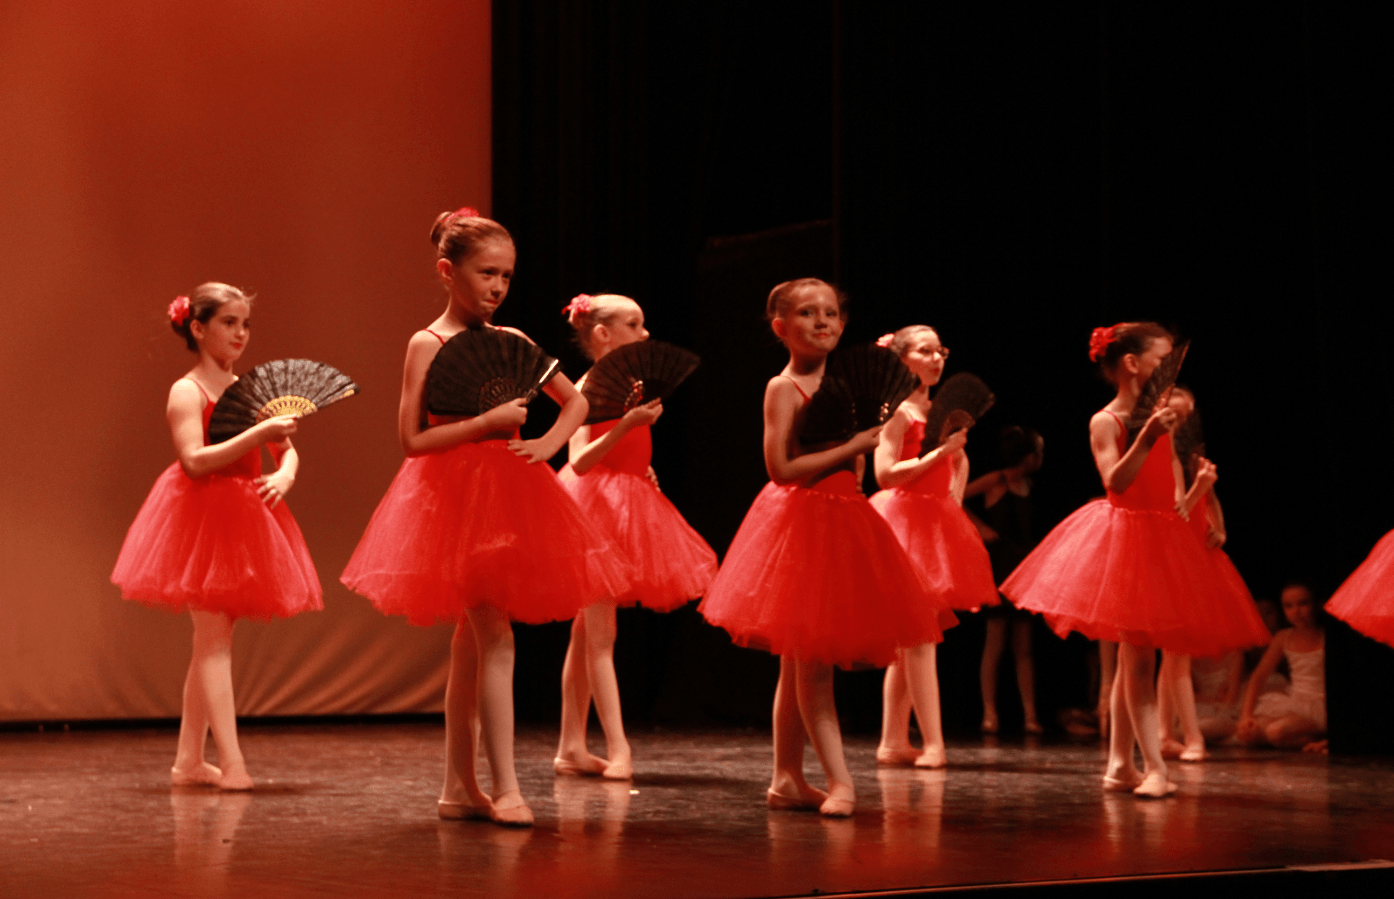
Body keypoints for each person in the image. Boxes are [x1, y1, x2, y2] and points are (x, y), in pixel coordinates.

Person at [341, 209, 628, 826]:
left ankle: (458, 788)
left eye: (506, 276)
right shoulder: (429, 342)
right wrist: (486, 425)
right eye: (486, 273)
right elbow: (412, 440)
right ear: (448, 272)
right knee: (495, 636)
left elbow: (577, 402)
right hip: (451, 496)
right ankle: (504, 789)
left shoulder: (516, 343)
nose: (498, 287)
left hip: (508, 492)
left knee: (474, 644)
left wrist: (549, 447)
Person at [699, 279, 955, 817]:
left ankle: (787, 778)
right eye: (808, 313)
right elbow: (781, 469)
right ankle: (841, 782)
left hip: (845, 520)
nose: (823, 322)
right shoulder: (783, 386)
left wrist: (859, 450)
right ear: (781, 328)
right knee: (811, 668)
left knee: (797, 668)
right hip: (799, 521)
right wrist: (855, 445)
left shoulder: (844, 385)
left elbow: (859, 471)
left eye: (831, 313)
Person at [1001, 322, 1268, 798]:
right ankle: (1155, 767)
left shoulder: (1163, 415)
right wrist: (1144, 438)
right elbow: (1116, 483)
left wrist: (1197, 505)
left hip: (1163, 539)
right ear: (1131, 363)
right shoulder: (1108, 420)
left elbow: (1171, 478)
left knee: (1133, 659)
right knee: (1138, 658)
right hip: (1124, 539)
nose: (1171, 369)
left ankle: (1120, 764)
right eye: (1162, 359)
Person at [112, 284, 321, 791]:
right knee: (213, 639)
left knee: (211, 639)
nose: (240, 334)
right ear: (198, 328)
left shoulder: (250, 388)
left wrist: (287, 472)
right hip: (200, 515)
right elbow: (194, 459)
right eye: (229, 323)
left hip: (245, 513)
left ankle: (189, 760)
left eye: (245, 324)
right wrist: (257, 435)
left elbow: (285, 450)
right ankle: (231, 763)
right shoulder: (187, 390)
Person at [554, 293, 719, 780]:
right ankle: (619, 748)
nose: (645, 334)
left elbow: (620, 452)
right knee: (601, 636)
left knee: (586, 635)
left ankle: (570, 746)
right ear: (603, 333)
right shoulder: (587, 385)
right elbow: (580, 460)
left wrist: (640, 463)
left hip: (627, 503)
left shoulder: (631, 384)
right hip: (594, 512)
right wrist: (627, 424)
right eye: (634, 324)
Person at [870, 325, 997, 764]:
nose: (937, 357)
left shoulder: (938, 411)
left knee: (914, 640)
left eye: (941, 350)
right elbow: (885, 474)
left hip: (934, 522)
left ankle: (892, 741)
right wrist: (938, 455)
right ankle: (934, 743)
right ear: (903, 359)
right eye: (926, 351)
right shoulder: (898, 413)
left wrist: (954, 502)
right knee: (920, 637)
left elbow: (959, 461)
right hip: (902, 522)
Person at [964, 426, 1046, 735]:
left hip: (1023, 569)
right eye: (1038, 454)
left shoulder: (1028, 483)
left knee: (1024, 645)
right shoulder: (995, 481)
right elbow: (955, 497)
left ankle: (1030, 715)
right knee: (995, 641)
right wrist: (981, 527)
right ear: (1028, 457)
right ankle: (990, 713)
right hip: (999, 568)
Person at [1238, 581, 1327, 752]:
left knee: (1275, 731)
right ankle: (1307, 740)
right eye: (1289, 606)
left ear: (1315, 604)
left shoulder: (1324, 635)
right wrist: (1245, 715)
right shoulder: (1284, 637)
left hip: (1320, 704)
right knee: (1252, 732)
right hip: (1296, 701)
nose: (1296, 611)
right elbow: (1259, 677)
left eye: (1303, 603)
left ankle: (1321, 740)